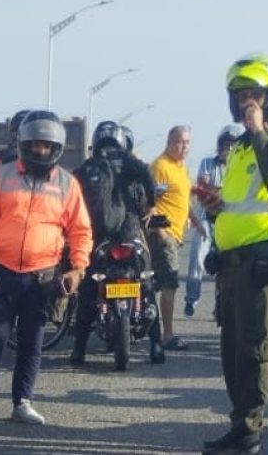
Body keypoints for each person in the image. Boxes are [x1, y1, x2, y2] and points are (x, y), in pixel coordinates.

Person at [196, 53, 268, 455]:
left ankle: (250, 432)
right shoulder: (240, 149)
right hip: (231, 263)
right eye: (241, 96)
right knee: (231, 351)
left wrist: (260, 131)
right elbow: (241, 203)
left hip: (261, 262)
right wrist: (215, 207)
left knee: (255, 350)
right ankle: (239, 423)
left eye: (255, 96)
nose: (247, 103)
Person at [0, 112, 92, 426]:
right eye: (34, 144)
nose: (40, 150)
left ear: (57, 147)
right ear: (23, 144)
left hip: (42, 279)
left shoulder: (67, 183)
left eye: (47, 145)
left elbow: (81, 230)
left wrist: (78, 269)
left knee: (32, 344)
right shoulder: (2, 177)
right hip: (1, 275)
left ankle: (22, 402)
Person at [69, 120, 161, 365]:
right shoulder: (129, 164)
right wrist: (151, 204)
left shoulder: (88, 168)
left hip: (98, 235)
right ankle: (157, 345)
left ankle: (79, 349)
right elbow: (148, 176)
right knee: (148, 284)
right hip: (130, 231)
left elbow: (71, 194)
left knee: (88, 289)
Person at [147, 126, 202, 355]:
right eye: (180, 142)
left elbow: (182, 198)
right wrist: (159, 231)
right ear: (169, 141)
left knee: (163, 284)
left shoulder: (180, 167)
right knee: (169, 283)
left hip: (176, 235)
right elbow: (149, 201)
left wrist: (195, 220)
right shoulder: (160, 166)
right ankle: (166, 334)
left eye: (187, 142)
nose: (184, 147)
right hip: (164, 235)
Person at [184, 125, 243, 318]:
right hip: (207, 220)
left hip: (233, 222)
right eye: (226, 143)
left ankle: (222, 302)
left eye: (233, 144)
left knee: (230, 263)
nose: (229, 147)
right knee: (196, 257)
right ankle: (191, 299)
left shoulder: (243, 167)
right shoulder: (208, 163)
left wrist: (218, 192)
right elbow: (203, 187)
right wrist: (223, 194)